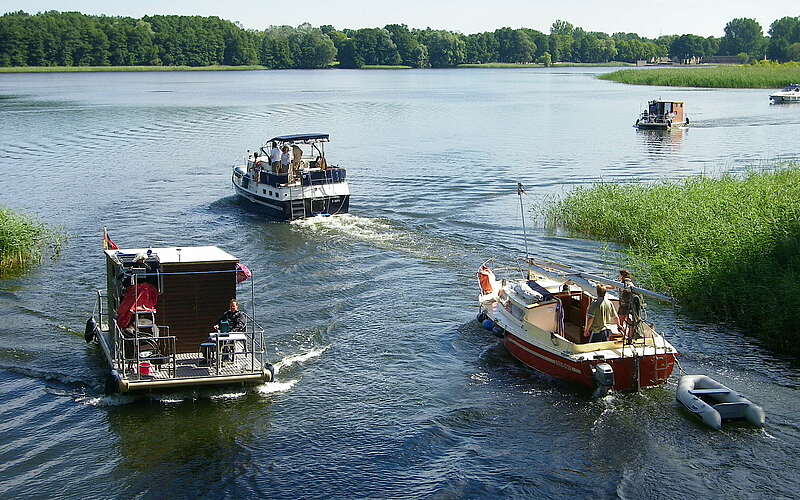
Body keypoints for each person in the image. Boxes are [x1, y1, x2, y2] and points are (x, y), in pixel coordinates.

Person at [616, 270, 634, 336]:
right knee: (623, 320)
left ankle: (626, 335)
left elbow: (630, 289)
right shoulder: (620, 283)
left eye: (619, 275)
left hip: (626, 305)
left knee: (625, 320)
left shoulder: (627, 283)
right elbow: (613, 287)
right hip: (623, 305)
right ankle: (625, 334)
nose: (618, 276)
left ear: (622, 276)